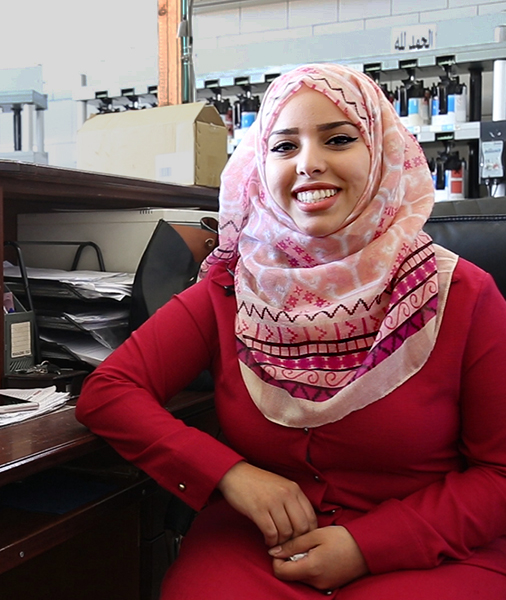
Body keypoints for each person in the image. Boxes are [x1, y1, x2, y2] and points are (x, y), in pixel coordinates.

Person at [75, 63, 506, 599]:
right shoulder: (233, 286)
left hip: (431, 551)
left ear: (382, 155)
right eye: (283, 147)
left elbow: (499, 474)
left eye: (340, 139)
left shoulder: (461, 293)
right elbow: (109, 393)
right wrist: (230, 473)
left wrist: (369, 545)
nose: (309, 164)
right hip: (264, 545)